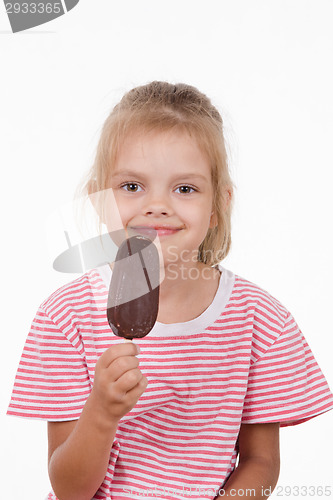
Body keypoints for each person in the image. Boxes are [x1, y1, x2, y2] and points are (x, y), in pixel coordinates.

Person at [7, 81, 333, 500]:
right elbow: (69, 489)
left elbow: (261, 461)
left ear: (218, 206)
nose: (157, 205)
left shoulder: (260, 321)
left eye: (185, 189)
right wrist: (102, 413)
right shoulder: (66, 317)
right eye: (131, 186)